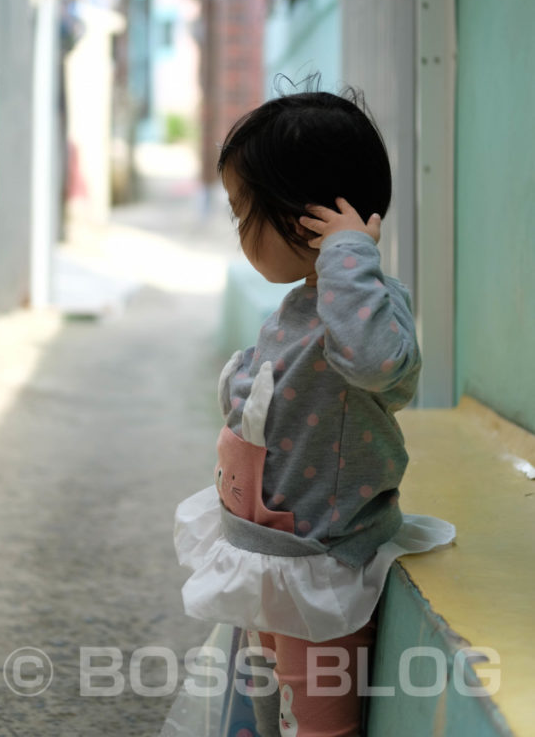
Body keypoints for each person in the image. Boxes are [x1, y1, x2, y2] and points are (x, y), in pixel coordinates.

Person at [173, 85, 455, 737]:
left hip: (317, 564)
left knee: (318, 717)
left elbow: (377, 365)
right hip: (268, 550)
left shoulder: (364, 301)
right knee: (262, 694)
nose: (239, 232)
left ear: (307, 219)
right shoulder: (306, 300)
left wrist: (351, 256)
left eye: (245, 213)